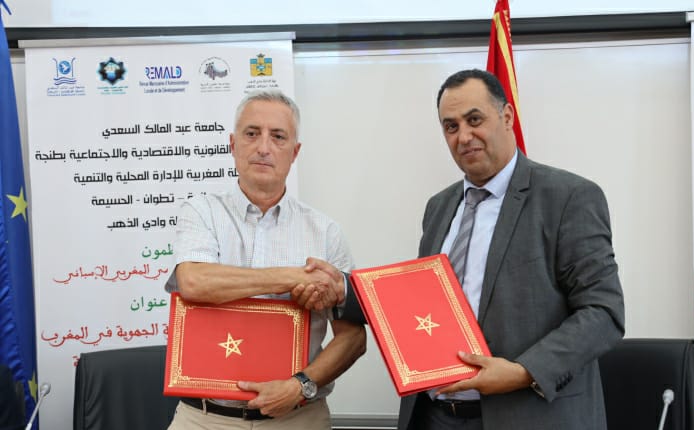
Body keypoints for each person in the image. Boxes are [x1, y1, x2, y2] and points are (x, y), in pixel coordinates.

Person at [396, 69, 626, 429]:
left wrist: (523, 372)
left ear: (506, 117)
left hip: (529, 415)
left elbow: (603, 312)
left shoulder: (568, 197)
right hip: (434, 416)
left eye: (474, 120)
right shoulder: (438, 207)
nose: (463, 136)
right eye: (451, 126)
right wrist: (344, 290)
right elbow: (426, 303)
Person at [165, 89, 366, 430]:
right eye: (251, 133)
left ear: (295, 152)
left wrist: (300, 386)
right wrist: (295, 278)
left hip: (298, 417)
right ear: (232, 144)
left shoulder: (326, 232)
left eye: (278, 137)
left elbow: (353, 338)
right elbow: (194, 282)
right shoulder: (200, 211)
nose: (263, 147)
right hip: (203, 418)